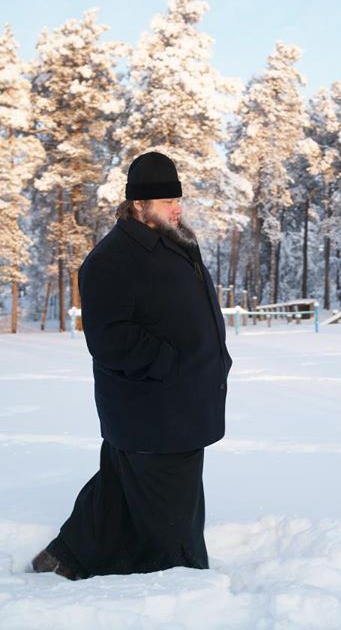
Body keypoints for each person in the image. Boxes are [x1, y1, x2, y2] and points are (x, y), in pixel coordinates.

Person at [31, 151, 232, 579]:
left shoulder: (174, 242)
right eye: (167, 201)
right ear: (139, 204)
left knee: (118, 491)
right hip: (155, 407)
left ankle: (65, 558)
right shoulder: (111, 260)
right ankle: (179, 584)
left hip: (176, 401)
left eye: (178, 200)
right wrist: (167, 364)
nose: (177, 209)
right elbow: (110, 339)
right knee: (173, 515)